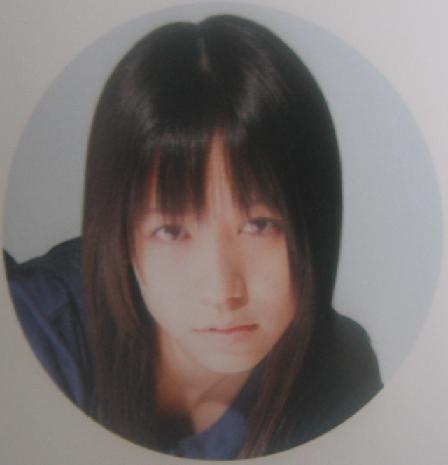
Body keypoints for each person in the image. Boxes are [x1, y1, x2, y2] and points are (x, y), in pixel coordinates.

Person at [5, 14, 382, 459]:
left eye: (259, 225)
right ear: (119, 233)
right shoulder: (37, 329)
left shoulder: (337, 376)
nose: (222, 291)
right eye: (172, 231)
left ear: (315, 221)